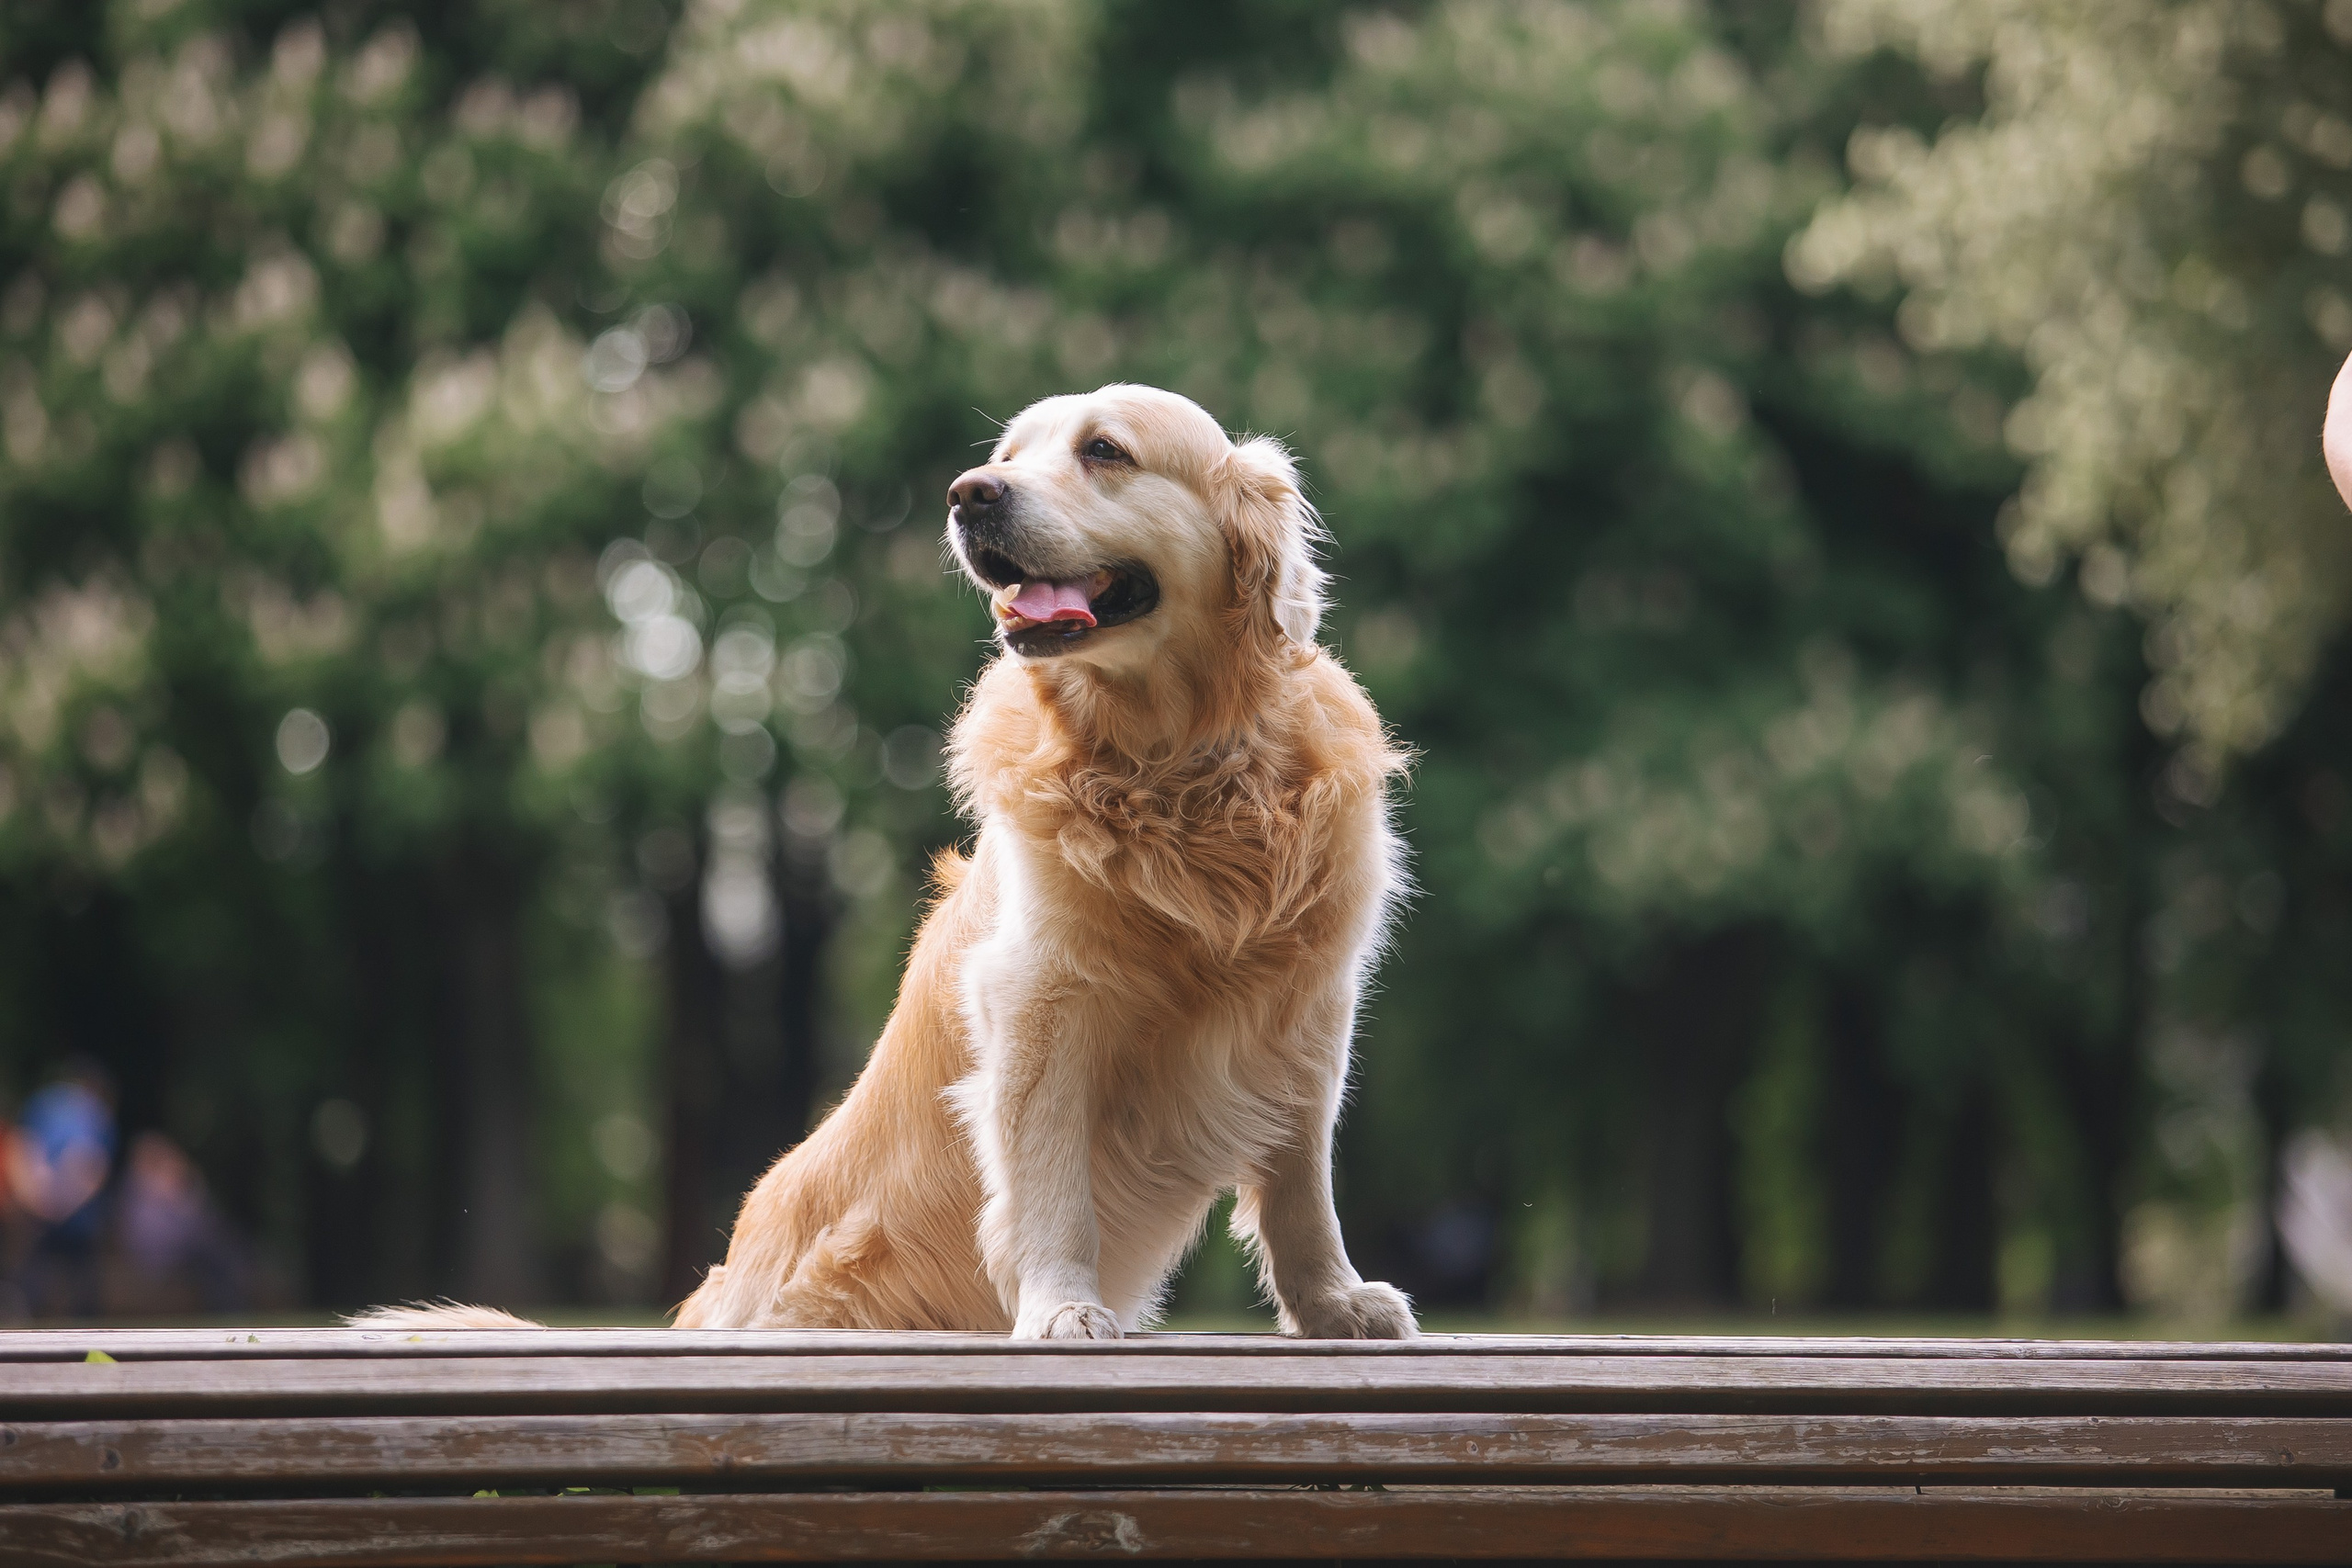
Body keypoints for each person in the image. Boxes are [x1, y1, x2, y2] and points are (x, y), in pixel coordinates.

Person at [6, 1060, 118, 1319]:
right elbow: (93, 1168)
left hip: (43, 1211)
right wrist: (62, 1204)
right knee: (84, 1293)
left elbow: (23, 1150)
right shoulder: (95, 1112)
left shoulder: (43, 1102)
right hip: (74, 1218)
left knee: (33, 1279)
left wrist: (36, 1198)